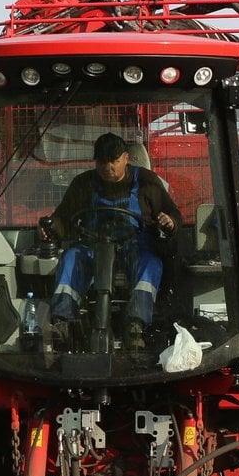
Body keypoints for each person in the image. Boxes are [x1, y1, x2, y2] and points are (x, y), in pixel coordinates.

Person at [41, 132, 181, 350]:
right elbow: (63, 219)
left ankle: (136, 324)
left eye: (115, 161)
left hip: (135, 245)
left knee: (151, 263)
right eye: (103, 163)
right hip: (91, 245)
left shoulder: (147, 182)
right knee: (70, 258)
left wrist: (169, 221)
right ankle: (62, 322)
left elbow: (172, 215)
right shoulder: (83, 184)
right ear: (95, 162)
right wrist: (51, 226)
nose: (109, 168)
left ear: (126, 158)